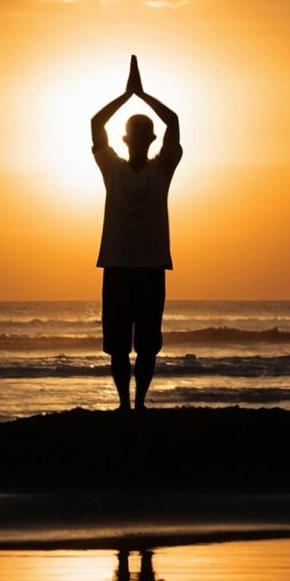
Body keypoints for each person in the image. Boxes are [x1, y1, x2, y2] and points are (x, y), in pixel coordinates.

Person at [91, 56, 182, 411]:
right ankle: (126, 405)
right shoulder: (112, 167)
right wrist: (129, 94)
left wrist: (139, 94)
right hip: (119, 266)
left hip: (148, 266)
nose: (141, 141)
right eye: (137, 135)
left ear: (149, 138)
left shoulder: (162, 168)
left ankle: (137, 404)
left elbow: (172, 121)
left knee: (146, 343)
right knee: (118, 344)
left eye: (146, 136)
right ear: (128, 139)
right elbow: (96, 122)